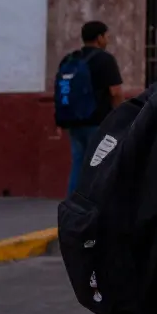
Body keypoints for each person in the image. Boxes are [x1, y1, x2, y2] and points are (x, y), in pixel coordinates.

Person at [58, 21, 123, 195]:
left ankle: (73, 205)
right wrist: (122, 116)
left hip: (74, 122)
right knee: (101, 164)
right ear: (99, 37)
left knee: (78, 164)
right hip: (98, 122)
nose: (107, 39)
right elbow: (115, 92)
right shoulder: (105, 59)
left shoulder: (70, 59)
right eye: (106, 36)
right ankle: (97, 205)